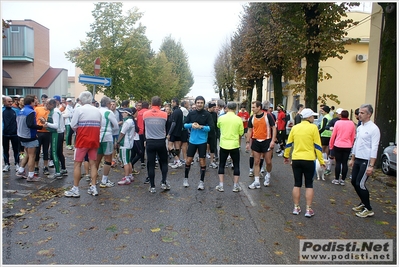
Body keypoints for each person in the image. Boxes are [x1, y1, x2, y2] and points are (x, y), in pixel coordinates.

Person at [283, 108, 325, 218]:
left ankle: (296, 207)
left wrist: (286, 156)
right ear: (309, 117)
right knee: (309, 184)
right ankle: (308, 209)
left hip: (296, 159)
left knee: (297, 183)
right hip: (309, 159)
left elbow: (289, 143)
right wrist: (321, 161)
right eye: (313, 116)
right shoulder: (313, 128)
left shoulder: (295, 128)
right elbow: (317, 146)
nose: (313, 118)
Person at [64, 91, 102, 198]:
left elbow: (73, 125)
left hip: (82, 140)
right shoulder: (97, 111)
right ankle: (93, 187)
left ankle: (76, 189)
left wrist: (78, 130)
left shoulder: (79, 110)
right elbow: (101, 124)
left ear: (80, 100)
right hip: (94, 139)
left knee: (77, 164)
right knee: (93, 164)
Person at [349, 104, 380, 218]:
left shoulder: (374, 129)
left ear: (369, 114)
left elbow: (374, 147)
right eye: (359, 113)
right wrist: (352, 158)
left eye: (362, 113)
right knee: (353, 181)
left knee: (360, 183)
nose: (359, 115)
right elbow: (356, 143)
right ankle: (363, 202)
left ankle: (368, 208)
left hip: (366, 160)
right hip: (358, 158)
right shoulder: (360, 127)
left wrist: (371, 165)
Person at [183, 96, 214, 189]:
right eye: (198, 102)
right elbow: (184, 125)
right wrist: (191, 125)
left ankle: (201, 182)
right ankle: (185, 179)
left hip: (202, 141)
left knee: (202, 161)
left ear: (204, 104)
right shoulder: (191, 114)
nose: (199, 104)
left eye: (201, 102)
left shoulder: (207, 114)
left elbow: (211, 128)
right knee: (188, 160)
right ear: (195, 103)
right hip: (192, 141)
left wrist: (201, 127)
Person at [246, 101, 276, 189]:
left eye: (254, 107)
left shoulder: (268, 116)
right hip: (256, 141)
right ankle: (256, 181)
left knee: (268, 162)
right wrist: (247, 142)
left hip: (267, 141)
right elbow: (249, 130)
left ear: (259, 107)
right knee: (256, 161)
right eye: (252, 107)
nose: (252, 109)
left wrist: (273, 140)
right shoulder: (252, 117)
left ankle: (268, 175)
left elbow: (274, 128)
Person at [143, 96, 170, 193]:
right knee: (164, 162)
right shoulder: (164, 114)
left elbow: (144, 127)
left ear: (151, 103)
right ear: (160, 104)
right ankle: (163, 182)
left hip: (150, 141)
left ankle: (152, 186)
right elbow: (167, 128)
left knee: (151, 164)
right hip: (160, 141)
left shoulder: (145, 114)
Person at [215, 102, 244, 192]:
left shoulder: (221, 118)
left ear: (227, 107)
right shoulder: (238, 119)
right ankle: (235, 186)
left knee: (221, 164)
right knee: (236, 165)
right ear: (235, 108)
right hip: (234, 144)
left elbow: (218, 126)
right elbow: (241, 132)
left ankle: (221, 185)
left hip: (224, 144)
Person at [16, 95, 46, 181]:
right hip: (29, 136)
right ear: (31, 102)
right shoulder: (31, 112)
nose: (36, 102)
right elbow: (30, 125)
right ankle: (31, 175)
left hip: (21, 135)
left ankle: (21, 170)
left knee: (27, 154)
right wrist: (41, 127)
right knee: (32, 156)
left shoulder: (21, 111)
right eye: (34, 101)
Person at [96, 96, 120, 188]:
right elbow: (116, 126)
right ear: (107, 104)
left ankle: (93, 180)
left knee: (97, 159)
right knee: (108, 159)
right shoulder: (108, 112)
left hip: (97, 137)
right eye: (110, 104)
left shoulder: (97, 111)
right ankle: (104, 180)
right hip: (107, 137)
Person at [329, 110, 356, 185]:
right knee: (345, 162)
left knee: (338, 162)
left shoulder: (338, 123)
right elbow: (353, 135)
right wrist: (351, 144)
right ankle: (343, 180)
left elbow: (333, 135)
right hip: (347, 145)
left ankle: (336, 179)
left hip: (338, 144)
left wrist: (331, 145)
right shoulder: (352, 123)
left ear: (341, 115)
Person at [43, 98, 67, 179]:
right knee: (59, 152)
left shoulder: (55, 112)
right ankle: (63, 169)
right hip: (58, 133)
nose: (46, 106)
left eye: (47, 104)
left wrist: (46, 123)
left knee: (54, 152)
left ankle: (57, 172)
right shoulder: (55, 111)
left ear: (52, 104)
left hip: (56, 134)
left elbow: (56, 125)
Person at [115, 108, 135, 185]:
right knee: (128, 160)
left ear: (127, 113)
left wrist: (118, 141)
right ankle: (130, 175)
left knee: (125, 161)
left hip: (125, 144)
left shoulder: (127, 122)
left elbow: (122, 133)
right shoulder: (131, 121)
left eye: (123, 113)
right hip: (129, 143)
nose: (122, 114)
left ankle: (126, 178)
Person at [2, 96, 20, 172]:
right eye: (8, 101)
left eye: (11, 101)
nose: (10, 103)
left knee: (17, 149)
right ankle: (7, 164)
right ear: (4, 102)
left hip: (15, 133)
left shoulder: (16, 110)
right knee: (5, 149)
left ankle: (17, 164)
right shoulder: (2, 110)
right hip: (4, 134)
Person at [34, 98, 51, 176]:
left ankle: (45, 166)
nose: (48, 105)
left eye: (50, 103)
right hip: (38, 132)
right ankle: (36, 166)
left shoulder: (51, 111)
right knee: (37, 150)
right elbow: (33, 120)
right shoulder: (37, 109)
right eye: (47, 103)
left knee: (45, 150)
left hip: (47, 132)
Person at [167, 98, 185, 169]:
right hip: (178, 131)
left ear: (175, 102)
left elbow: (173, 123)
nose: (171, 104)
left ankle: (177, 160)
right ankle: (176, 161)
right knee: (177, 147)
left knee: (170, 146)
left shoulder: (175, 112)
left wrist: (169, 133)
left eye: (172, 102)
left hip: (174, 132)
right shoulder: (180, 111)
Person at [319, 105, 333, 175]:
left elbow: (323, 127)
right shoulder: (330, 117)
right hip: (329, 134)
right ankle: (327, 162)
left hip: (324, 134)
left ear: (325, 111)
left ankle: (322, 162)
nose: (321, 111)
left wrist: (318, 132)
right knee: (327, 149)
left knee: (322, 149)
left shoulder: (325, 118)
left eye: (322, 110)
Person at [137, 101, 149, 169]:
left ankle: (142, 162)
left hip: (140, 132)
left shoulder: (138, 113)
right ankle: (150, 161)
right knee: (148, 147)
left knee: (142, 147)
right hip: (147, 132)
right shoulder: (149, 112)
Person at [206, 102, 218, 169]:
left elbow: (215, 124)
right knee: (204, 146)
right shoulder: (205, 113)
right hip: (205, 133)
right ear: (209, 107)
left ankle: (211, 162)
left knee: (213, 147)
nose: (215, 108)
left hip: (213, 133)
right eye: (213, 107)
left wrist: (216, 133)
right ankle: (203, 160)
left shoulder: (215, 114)